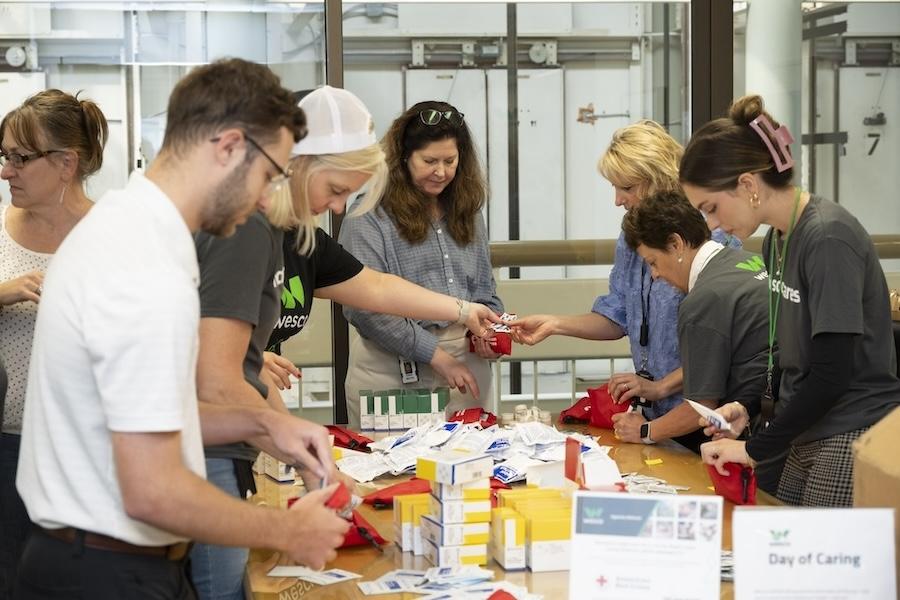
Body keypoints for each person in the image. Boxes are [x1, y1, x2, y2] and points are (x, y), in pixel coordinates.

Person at [15, 59, 352, 600]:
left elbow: (134, 412)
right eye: (269, 175)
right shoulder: (145, 265)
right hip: (105, 572)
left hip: (88, 559)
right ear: (228, 147)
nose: (268, 200)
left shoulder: (133, 226)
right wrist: (287, 530)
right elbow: (151, 489)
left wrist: (264, 426)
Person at [194, 86, 500, 599]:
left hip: (233, 435)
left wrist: (465, 310)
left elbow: (374, 287)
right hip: (200, 446)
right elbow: (221, 379)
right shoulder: (243, 230)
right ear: (298, 162)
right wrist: (305, 455)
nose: (339, 205)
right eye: (336, 188)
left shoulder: (292, 231)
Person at [681, 94, 900, 507]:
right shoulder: (776, 242)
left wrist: (755, 448)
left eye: (711, 208)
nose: (712, 225)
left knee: (809, 558)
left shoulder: (827, 237)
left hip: (849, 427)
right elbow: (789, 353)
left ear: (747, 184)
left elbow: (833, 371)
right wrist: (748, 408)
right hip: (807, 426)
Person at [510, 120, 739, 452]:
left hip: (703, 416)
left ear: (660, 179)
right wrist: (554, 324)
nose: (618, 199)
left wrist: (661, 386)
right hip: (654, 416)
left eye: (627, 187)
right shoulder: (633, 236)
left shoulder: (710, 238)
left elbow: (722, 348)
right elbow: (617, 314)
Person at [0, 89, 108, 598]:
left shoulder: (113, 236)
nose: (6, 171)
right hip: (4, 449)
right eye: (4, 156)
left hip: (85, 454)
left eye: (19, 158)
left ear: (67, 164)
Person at [337, 101, 504, 429]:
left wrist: (490, 332)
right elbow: (366, 309)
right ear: (402, 158)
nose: (441, 171)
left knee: (470, 467)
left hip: (465, 370)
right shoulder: (369, 215)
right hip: (392, 371)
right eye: (429, 161)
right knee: (393, 474)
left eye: (450, 161)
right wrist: (437, 356)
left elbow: (484, 288)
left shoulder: (468, 210)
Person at [619, 191, 776, 488]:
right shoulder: (752, 261)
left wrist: (644, 431)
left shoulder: (702, 301)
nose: (654, 275)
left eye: (652, 262)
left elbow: (700, 407)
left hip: (767, 435)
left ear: (676, 244)